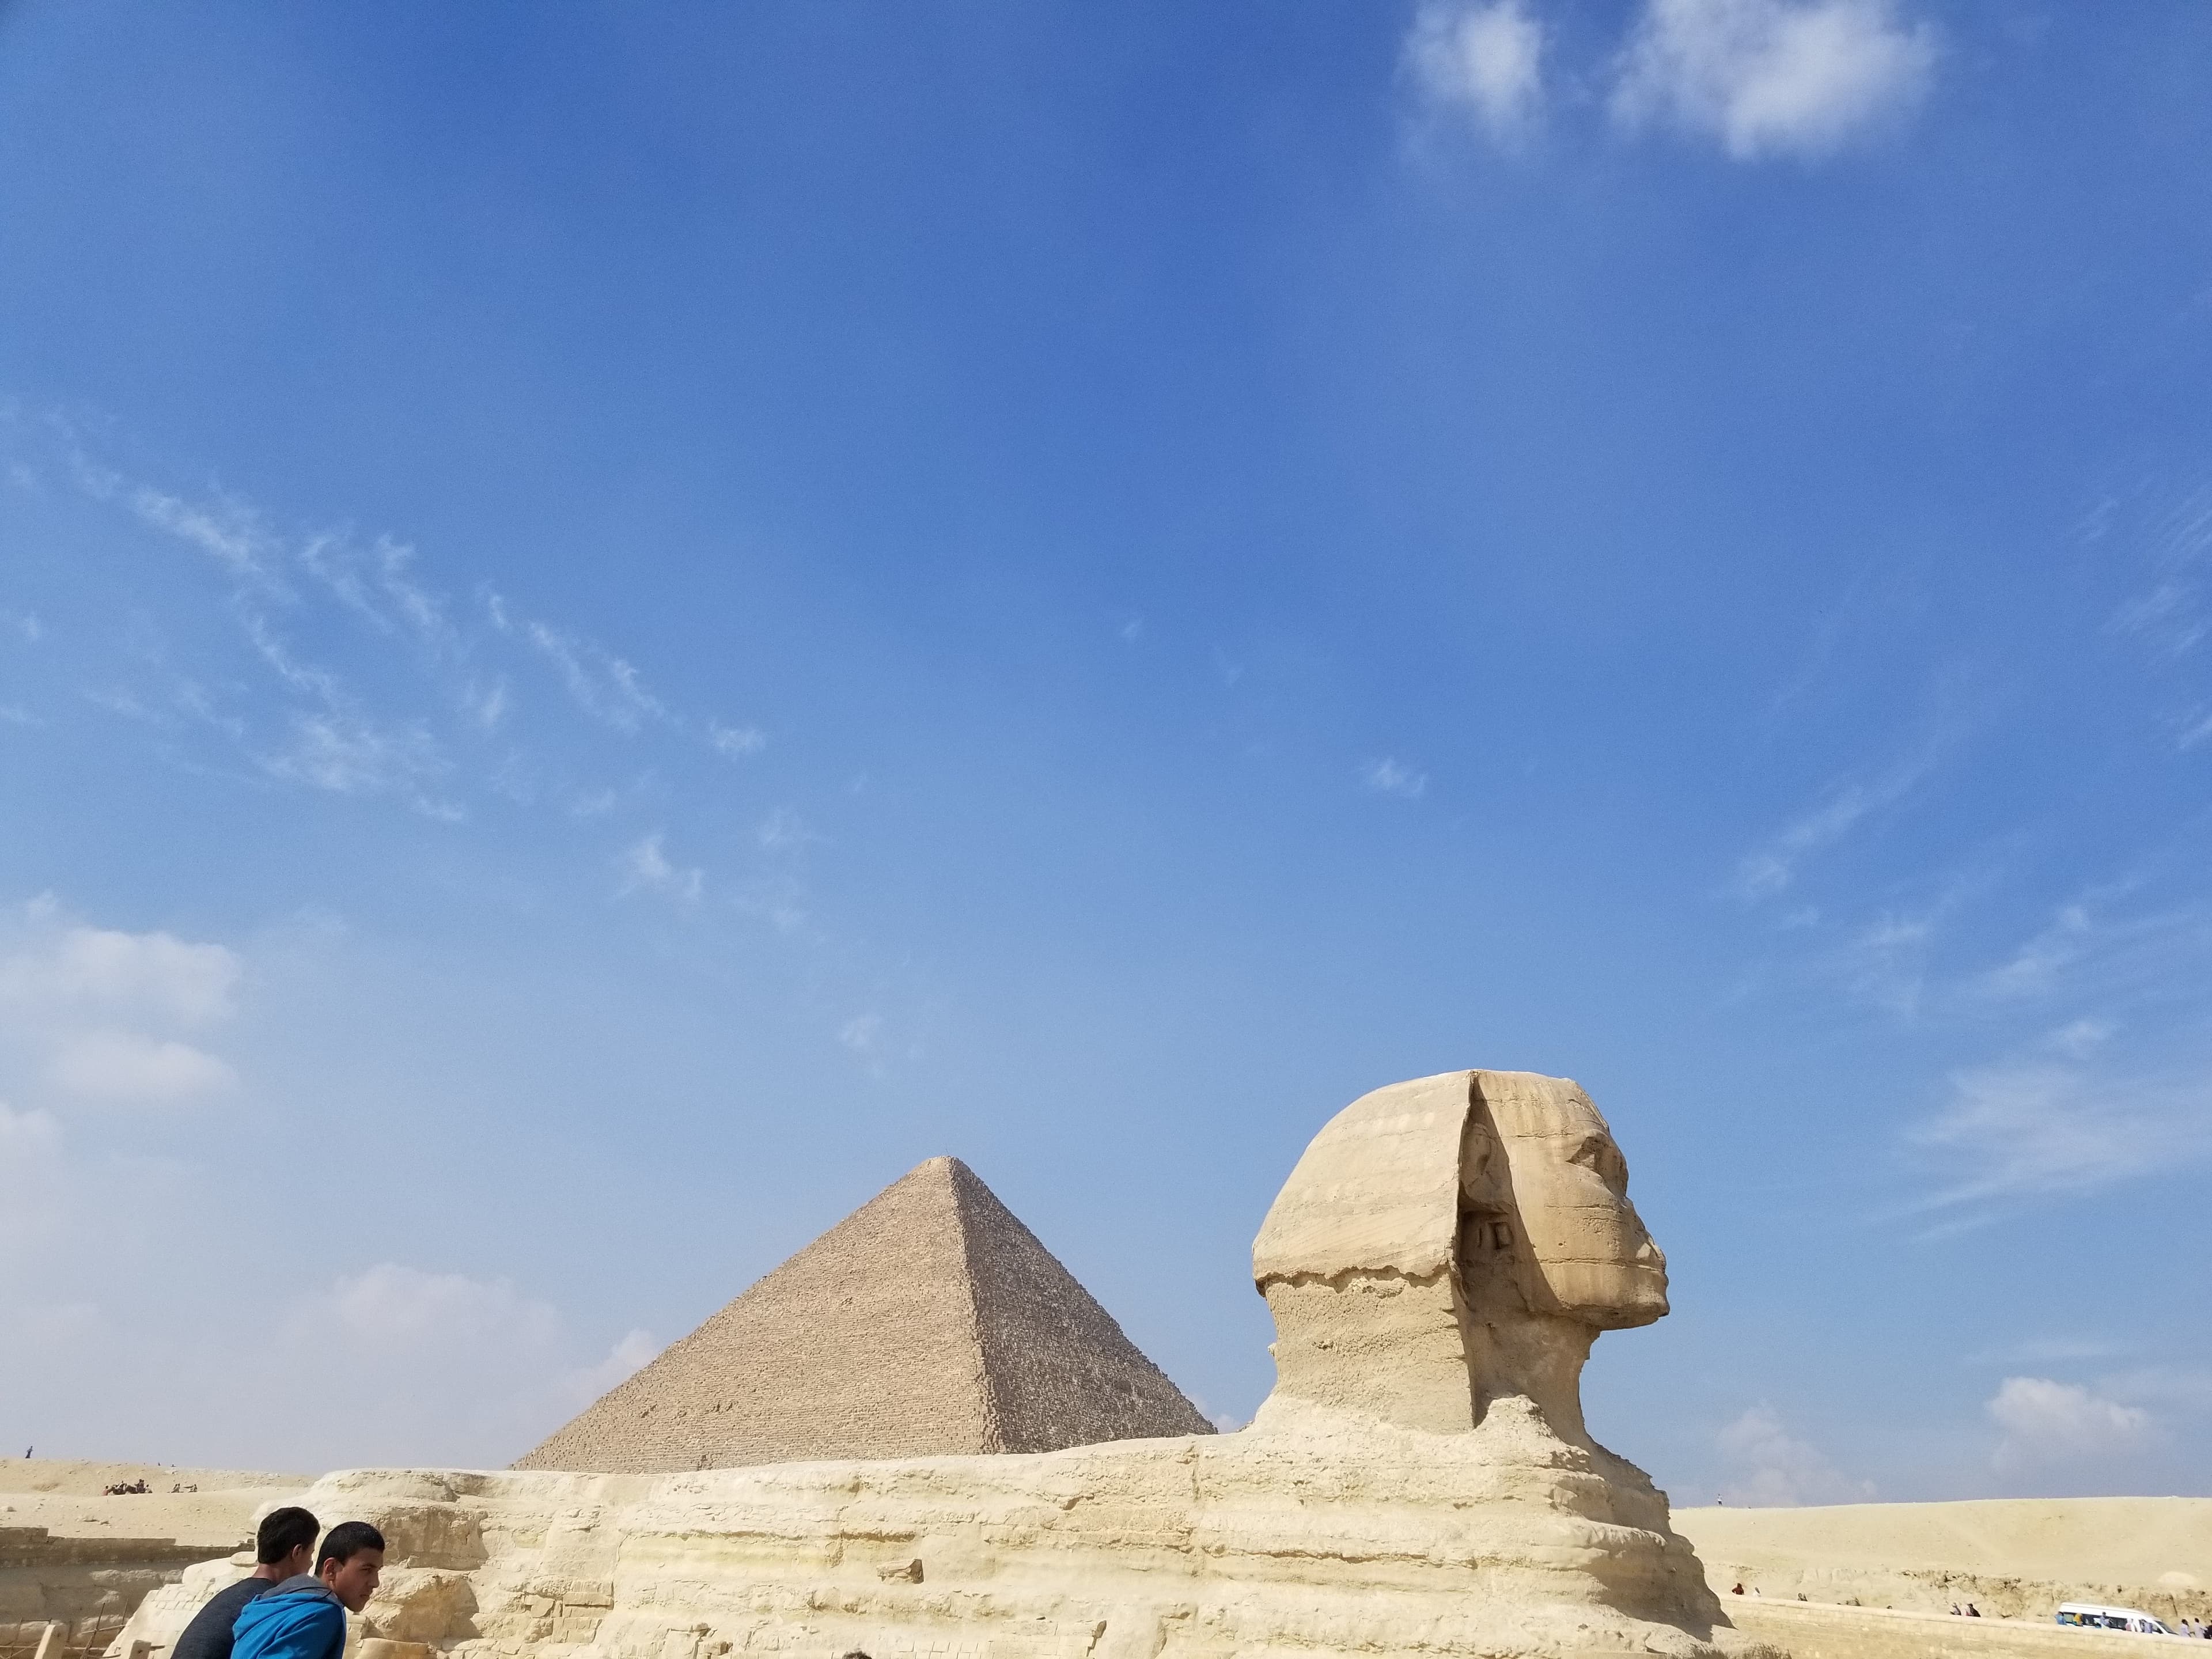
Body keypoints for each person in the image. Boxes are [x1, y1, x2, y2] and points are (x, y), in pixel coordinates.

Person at [171, 1509, 320, 1659]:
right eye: (311, 1554)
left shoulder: (230, 1595)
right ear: (297, 1552)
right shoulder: (271, 1605)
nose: (311, 1563)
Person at [232, 1521, 384, 1659]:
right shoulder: (323, 1613)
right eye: (367, 1570)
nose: (375, 1583)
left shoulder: (278, 1596)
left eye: (378, 1571)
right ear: (331, 1569)